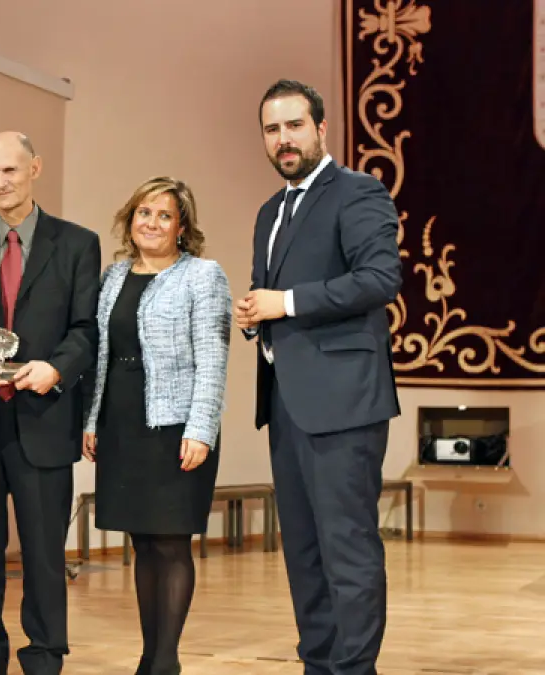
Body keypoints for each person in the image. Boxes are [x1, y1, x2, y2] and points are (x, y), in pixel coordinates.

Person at [235, 79, 402, 675]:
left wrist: (285, 304)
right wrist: (256, 315)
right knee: (303, 552)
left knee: (347, 548)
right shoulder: (269, 212)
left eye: (294, 126)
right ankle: (319, 664)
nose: (283, 139)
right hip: (286, 403)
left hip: (345, 403)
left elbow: (379, 279)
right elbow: (271, 294)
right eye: (272, 129)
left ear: (321, 128)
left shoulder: (358, 191)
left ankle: (355, 669)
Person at [0, 131, 100, 675]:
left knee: (44, 556)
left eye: (10, 170)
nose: (0, 182)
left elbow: (86, 330)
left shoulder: (77, 243)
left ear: (34, 168)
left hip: (45, 419)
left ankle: (44, 657)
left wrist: (54, 369)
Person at [82, 177, 231, 675]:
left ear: (181, 228)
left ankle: (165, 662)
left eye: (164, 215)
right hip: (122, 425)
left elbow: (213, 360)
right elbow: (101, 356)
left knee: (170, 542)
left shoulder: (203, 276)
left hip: (175, 429)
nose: (151, 223)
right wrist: (92, 419)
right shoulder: (113, 277)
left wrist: (201, 429)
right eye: (144, 212)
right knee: (142, 542)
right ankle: (150, 657)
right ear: (130, 219)